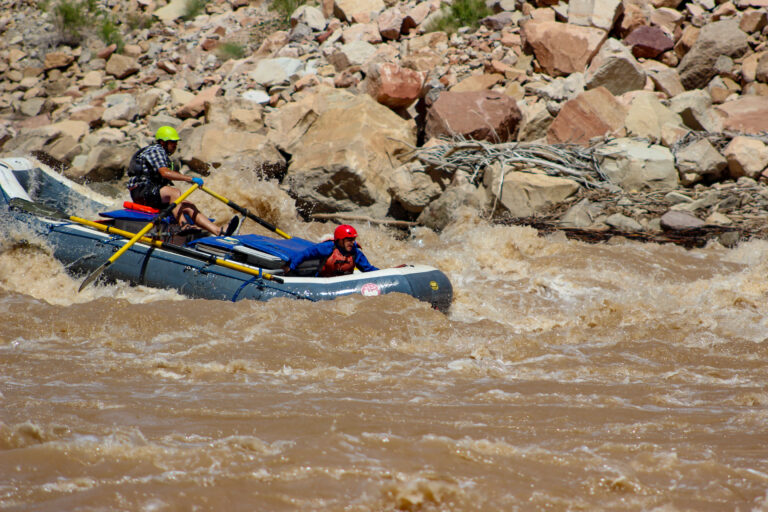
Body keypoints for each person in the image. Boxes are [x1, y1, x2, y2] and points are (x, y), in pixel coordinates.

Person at [126, 126, 238, 237]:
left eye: (176, 142)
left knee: (188, 206)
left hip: (151, 193)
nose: (175, 145)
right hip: (140, 191)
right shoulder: (156, 150)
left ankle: (219, 231)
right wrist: (190, 179)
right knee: (174, 193)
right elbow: (165, 173)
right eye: (172, 142)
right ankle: (184, 225)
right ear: (163, 142)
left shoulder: (163, 154)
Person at [284, 224, 379, 277]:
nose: (352, 243)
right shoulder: (326, 248)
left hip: (343, 282)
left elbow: (369, 269)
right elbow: (304, 254)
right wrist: (291, 267)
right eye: (349, 240)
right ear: (340, 240)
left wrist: (388, 272)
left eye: (353, 240)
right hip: (322, 280)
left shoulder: (355, 252)